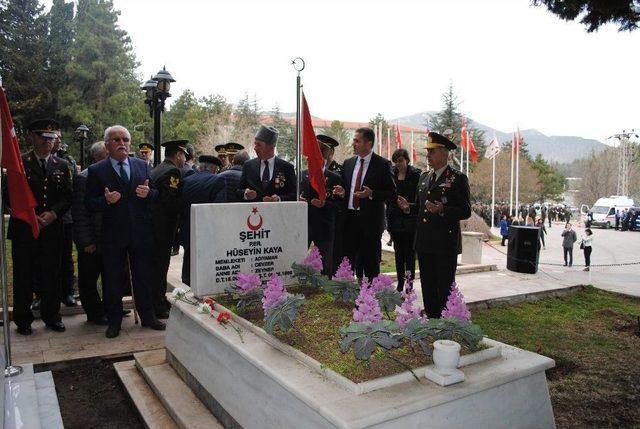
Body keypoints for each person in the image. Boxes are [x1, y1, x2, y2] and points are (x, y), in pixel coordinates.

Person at [85, 125, 165, 338]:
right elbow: (89, 203)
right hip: (113, 235)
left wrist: (149, 193)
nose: (122, 143)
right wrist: (105, 200)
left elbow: (157, 194)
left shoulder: (142, 165)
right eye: (117, 140)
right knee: (112, 279)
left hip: (140, 233)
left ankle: (148, 316)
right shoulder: (97, 170)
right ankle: (114, 322)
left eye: (125, 139)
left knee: (143, 277)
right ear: (107, 145)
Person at [7, 119, 72, 335]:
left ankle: (52, 316)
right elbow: (8, 194)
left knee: (51, 274)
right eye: (43, 138)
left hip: (51, 229)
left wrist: (53, 213)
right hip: (24, 229)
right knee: (23, 274)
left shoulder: (61, 165)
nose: (48, 143)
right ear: (33, 137)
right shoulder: (19, 164)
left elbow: (67, 196)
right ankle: (23, 319)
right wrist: (28, 214)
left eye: (52, 139)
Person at [402, 132, 470, 318]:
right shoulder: (424, 178)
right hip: (424, 242)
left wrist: (442, 209)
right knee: (428, 284)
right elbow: (422, 207)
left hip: (444, 243)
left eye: (432, 152)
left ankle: (445, 321)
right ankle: (432, 319)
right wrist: (409, 207)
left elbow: (465, 211)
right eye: (428, 152)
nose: (428, 156)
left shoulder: (457, 179)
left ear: (444, 154)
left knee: (444, 286)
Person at [334, 127, 395, 280]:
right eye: (353, 140)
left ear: (368, 144)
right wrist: (342, 191)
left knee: (370, 265)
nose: (353, 144)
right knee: (346, 265)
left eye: (357, 141)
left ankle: (370, 299)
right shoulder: (348, 163)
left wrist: (372, 194)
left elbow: (392, 194)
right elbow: (345, 188)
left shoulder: (382, 165)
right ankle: (347, 298)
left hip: (370, 224)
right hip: (349, 221)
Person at [149, 140, 188, 318]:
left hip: (154, 226)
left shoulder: (157, 168)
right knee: (160, 266)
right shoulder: (172, 171)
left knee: (156, 266)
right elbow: (170, 200)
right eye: (183, 156)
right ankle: (158, 304)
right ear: (178, 155)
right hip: (163, 227)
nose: (184, 160)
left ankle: (157, 299)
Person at [72, 141, 109, 325]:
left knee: (110, 276)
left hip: (109, 238)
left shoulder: (111, 174)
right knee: (88, 279)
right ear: (96, 158)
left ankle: (109, 308)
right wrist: (87, 241)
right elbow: (79, 212)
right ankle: (94, 312)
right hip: (91, 239)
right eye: (105, 155)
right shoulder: (84, 178)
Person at [300, 135, 343, 276]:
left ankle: (326, 292)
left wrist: (324, 204)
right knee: (298, 261)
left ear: (324, 159)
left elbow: (339, 205)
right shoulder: (302, 175)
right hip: (305, 225)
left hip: (324, 227)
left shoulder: (335, 178)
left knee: (325, 265)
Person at [180, 155, 225, 285]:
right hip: (207, 230)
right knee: (206, 261)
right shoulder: (218, 181)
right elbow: (219, 208)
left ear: (201, 167)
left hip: (188, 227)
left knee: (188, 257)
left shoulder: (187, 180)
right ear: (214, 169)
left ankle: (186, 284)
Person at [387, 148, 421, 290]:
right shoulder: (391, 174)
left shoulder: (416, 175)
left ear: (407, 160)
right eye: (396, 162)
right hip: (395, 221)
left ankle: (409, 283)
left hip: (410, 220)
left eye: (400, 161)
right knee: (399, 254)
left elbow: (419, 201)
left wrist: (408, 207)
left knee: (409, 255)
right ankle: (400, 283)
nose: (398, 164)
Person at [237, 125, 296, 202]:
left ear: (271, 147)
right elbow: (238, 191)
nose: (255, 148)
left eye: (259, 145)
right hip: (254, 212)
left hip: (277, 212)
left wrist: (279, 199)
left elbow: (294, 194)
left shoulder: (286, 167)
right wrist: (246, 194)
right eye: (255, 144)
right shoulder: (248, 166)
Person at [53, 131, 79, 307]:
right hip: (42, 217)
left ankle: (68, 291)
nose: (59, 141)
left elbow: (73, 190)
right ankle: (41, 294)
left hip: (66, 217)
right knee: (42, 259)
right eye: (55, 137)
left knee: (66, 257)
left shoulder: (68, 161)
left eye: (60, 138)